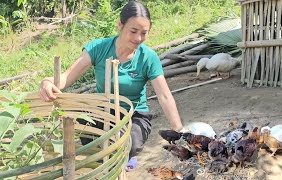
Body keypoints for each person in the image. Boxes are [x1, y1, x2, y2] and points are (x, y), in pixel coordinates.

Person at [38, 0, 184, 171]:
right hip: (104, 110)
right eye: (133, 31)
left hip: (134, 114)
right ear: (120, 25)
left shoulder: (148, 57)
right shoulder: (99, 48)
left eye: (144, 33)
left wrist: (179, 131)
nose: (138, 38)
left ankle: (124, 156)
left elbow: (164, 96)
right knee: (90, 137)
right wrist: (47, 82)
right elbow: (67, 77)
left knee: (129, 144)